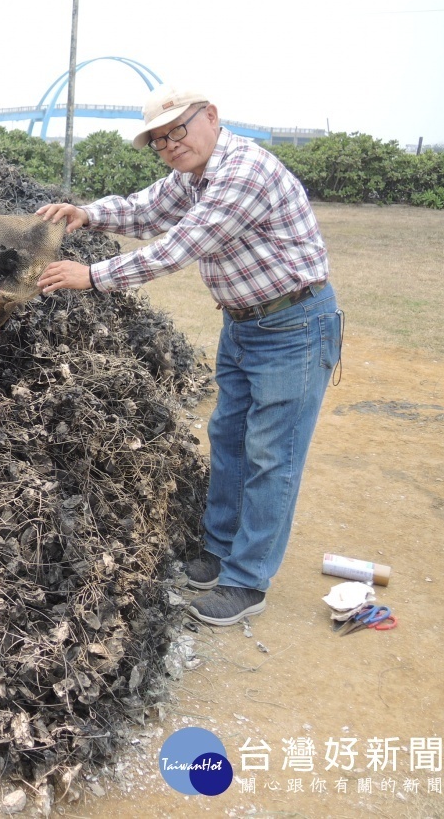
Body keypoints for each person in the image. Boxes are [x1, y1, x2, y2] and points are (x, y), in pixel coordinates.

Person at [35, 84, 342, 627]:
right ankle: (220, 551)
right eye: (158, 140)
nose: (171, 144)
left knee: (273, 456)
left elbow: (182, 244)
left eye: (178, 129)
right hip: (243, 323)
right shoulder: (191, 177)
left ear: (212, 118)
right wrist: (87, 213)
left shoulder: (244, 170)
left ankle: (247, 581)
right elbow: (147, 210)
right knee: (228, 438)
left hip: (294, 325)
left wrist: (92, 276)